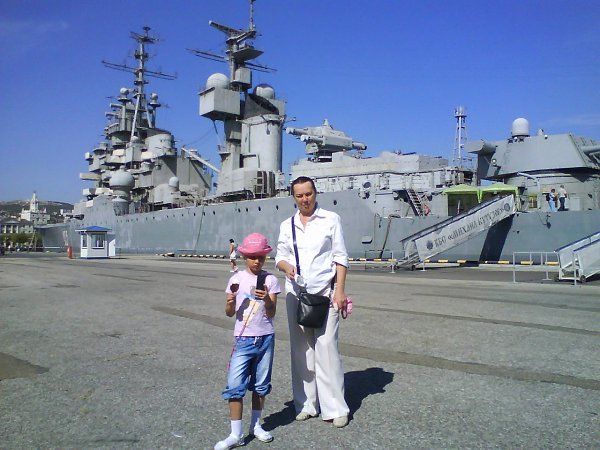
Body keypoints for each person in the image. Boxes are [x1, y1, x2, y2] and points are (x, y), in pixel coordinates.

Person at [275, 176, 350, 428]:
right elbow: (280, 256)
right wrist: (287, 267)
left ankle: (335, 407)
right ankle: (306, 404)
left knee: (327, 349)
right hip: (296, 294)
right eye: (299, 195)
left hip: (326, 294)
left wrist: (340, 291)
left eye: (308, 194)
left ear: (315, 193)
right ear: (293, 197)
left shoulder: (331, 219)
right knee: (301, 351)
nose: (304, 199)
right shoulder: (288, 225)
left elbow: (340, 257)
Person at [215, 233, 281, 450]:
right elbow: (229, 313)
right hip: (243, 340)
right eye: (252, 257)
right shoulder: (236, 279)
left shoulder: (271, 280)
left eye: (260, 257)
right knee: (235, 385)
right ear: (244, 257)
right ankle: (236, 434)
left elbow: (271, 313)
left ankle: (256, 425)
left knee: (261, 385)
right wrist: (230, 302)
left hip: (265, 338)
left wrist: (267, 299)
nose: (256, 261)